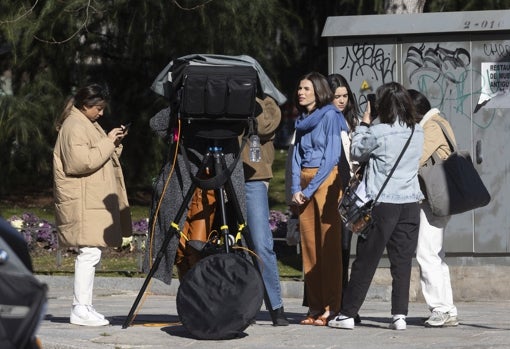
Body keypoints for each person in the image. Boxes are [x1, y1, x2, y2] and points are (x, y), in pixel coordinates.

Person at [328, 82, 424, 331]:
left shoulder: (378, 132)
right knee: (402, 261)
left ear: (380, 105)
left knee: (366, 260)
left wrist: (364, 123)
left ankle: (347, 314)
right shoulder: (417, 132)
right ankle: (399, 316)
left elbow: (356, 152)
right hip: (410, 202)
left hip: (383, 205)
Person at [53, 83, 132, 327]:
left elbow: (98, 156)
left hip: (90, 198)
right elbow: (81, 162)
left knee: (92, 253)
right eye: (98, 108)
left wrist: (113, 142)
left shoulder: (86, 123)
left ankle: (85, 306)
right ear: (86, 105)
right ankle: (79, 308)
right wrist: (108, 141)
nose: (101, 113)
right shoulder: (74, 125)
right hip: (83, 200)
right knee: (88, 253)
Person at [290, 72, 348, 326]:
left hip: (325, 183)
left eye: (306, 88)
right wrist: (295, 188)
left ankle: (331, 307)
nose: (301, 92)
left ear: (319, 91)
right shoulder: (302, 121)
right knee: (310, 247)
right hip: (304, 184)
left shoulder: (331, 116)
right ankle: (314, 307)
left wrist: (310, 188)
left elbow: (332, 157)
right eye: (300, 88)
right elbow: (294, 157)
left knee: (329, 247)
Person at [408, 89, 459, 328]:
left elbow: (415, 158)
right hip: (438, 197)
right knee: (436, 254)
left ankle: (439, 309)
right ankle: (447, 309)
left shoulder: (431, 127)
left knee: (426, 253)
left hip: (434, 199)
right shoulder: (438, 122)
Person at [242, 95, 289, 326]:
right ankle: (241, 304)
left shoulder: (266, 101)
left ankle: (275, 305)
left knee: (261, 243)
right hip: (221, 174)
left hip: (254, 176)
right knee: (231, 243)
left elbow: (264, 126)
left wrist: (249, 103)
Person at [326, 73, 364, 324]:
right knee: (336, 249)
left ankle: (347, 305)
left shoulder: (356, 121)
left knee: (349, 249)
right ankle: (338, 304)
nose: (341, 101)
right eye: (336, 96)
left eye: (344, 96)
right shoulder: (326, 121)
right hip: (333, 190)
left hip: (355, 192)